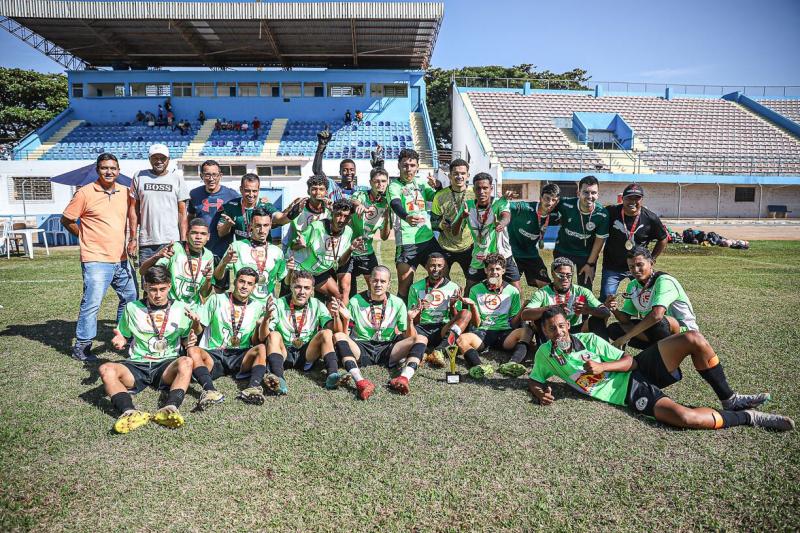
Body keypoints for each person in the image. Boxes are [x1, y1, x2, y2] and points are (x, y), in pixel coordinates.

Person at [528, 306, 793, 431]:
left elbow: (629, 361)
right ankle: (748, 417)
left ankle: (730, 398)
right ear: (544, 330)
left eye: (562, 325)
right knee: (687, 419)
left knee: (693, 339)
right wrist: (539, 393)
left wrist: (601, 365)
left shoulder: (588, 340)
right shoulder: (544, 355)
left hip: (638, 367)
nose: (558, 331)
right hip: (628, 392)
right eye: (552, 328)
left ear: (567, 325)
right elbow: (535, 379)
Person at [98, 266, 200, 434]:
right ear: (145, 287)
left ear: (169, 286)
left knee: (186, 361)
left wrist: (190, 338)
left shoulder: (181, 308)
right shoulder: (132, 307)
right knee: (106, 369)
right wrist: (120, 339)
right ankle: (129, 412)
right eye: (152, 290)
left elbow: (185, 339)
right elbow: (123, 334)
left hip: (166, 366)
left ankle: (170, 408)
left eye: (162, 289)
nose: (158, 295)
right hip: (137, 364)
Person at [61, 153, 138, 361]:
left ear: (119, 170)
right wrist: (82, 235)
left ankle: (124, 336)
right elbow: (67, 219)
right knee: (92, 303)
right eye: (104, 168)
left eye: (113, 168)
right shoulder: (85, 193)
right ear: (98, 170)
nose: (109, 172)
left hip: (121, 259)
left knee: (130, 299)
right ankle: (82, 346)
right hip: (95, 259)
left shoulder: (125, 192)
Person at [330, 265, 425, 398]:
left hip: (388, 348)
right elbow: (345, 336)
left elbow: (407, 337)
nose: (378, 284)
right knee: (338, 335)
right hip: (362, 346)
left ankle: (403, 379)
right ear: (370, 281)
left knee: (421, 338)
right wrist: (345, 319)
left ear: (388, 284)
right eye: (375, 280)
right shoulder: (355, 301)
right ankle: (360, 382)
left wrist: (409, 320)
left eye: (382, 281)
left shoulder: (398, 303)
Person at [187, 267, 272, 408]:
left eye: (249, 284)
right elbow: (199, 329)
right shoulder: (216, 299)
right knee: (193, 350)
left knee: (261, 348)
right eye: (241, 281)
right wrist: (195, 323)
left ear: (254, 287)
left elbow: (257, 341)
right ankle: (210, 390)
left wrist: (265, 320)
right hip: (214, 352)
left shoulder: (258, 307)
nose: (244, 286)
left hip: (241, 354)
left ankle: (253, 388)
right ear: (234, 282)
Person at [265, 270, 342, 394]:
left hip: (307, 353)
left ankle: (332, 374)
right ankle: (279, 378)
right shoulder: (278, 303)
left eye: (307, 288)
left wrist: (336, 316)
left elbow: (333, 330)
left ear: (312, 290)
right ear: (291, 287)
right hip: (285, 352)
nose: (302, 292)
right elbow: (265, 335)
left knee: (326, 333)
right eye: (298, 287)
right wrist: (265, 320)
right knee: (273, 335)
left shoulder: (317, 304)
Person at [607, 246, 697, 350]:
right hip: (655, 330)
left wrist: (626, 338)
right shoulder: (632, 285)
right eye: (631, 267)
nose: (636, 270)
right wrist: (614, 309)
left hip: (684, 331)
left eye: (639, 265)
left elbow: (657, 316)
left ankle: (659, 356)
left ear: (651, 263)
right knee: (615, 329)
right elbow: (625, 320)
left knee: (659, 324)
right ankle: (655, 354)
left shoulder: (664, 281)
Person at [453, 254, 528, 379]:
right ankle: (479, 366)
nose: (494, 272)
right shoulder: (476, 289)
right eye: (491, 269)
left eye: (498, 269)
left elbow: (514, 324)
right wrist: (472, 305)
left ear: (503, 270)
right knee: (461, 339)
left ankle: (512, 364)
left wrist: (522, 309)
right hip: (482, 333)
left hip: (504, 333)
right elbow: (476, 324)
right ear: (485, 270)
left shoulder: (512, 291)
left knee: (526, 332)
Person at [128, 143, 190, 283]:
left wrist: (183, 240)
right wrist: (133, 238)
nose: (159, 161)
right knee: (149, 283)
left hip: (171, 242)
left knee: (172, 282)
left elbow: (182, 213)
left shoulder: (177, 178)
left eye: (162, 158)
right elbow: (133, 209)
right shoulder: (139, 176)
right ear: (149, 159)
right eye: (155, 157)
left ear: (168, 159)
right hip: (147, 242)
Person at [387, 148, 442, 300]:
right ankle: (402, 321)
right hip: (407, 243)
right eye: (405, 165)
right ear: (399, 166)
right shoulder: (394, 186)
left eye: (412, 165)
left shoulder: (422, 184)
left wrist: (438, 186)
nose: (408, 169)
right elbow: (395, 203)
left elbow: (438, 197)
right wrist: (406, 217)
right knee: (405, 287)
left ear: (417, 166)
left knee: (443, 276)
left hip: (428, 240)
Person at [600, 183, 668, 301]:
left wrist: (652, 258)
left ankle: (643, 320)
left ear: (642, 200)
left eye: (637, 198)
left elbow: (663, 238)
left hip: (639, 267)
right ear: (623, 199)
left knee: (645, 298)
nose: (633, 201)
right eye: (629, 198)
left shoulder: (650, 218)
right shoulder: (611, 212)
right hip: (612, 266)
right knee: (606, 299)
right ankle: (602, 319)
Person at [407, 253, 472, 372]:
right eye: (432, 266)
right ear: (426, 267)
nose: (436, 269)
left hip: (443, 329)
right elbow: (413, 320)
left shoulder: (453, 287)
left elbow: (455, 318)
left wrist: (452, 305)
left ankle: (440, 350)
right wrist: (419, 310)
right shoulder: (416, 287)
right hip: (421, 329)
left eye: (439, 266)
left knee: (465, 313)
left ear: (445, 267)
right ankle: (423, 352)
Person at [521, 257, 610, 341]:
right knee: (540, 317)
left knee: (597, 320)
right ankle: (550, 350)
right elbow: (525, 314)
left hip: (575, 330)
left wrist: (588, 310)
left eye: (568, 275)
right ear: (553, 274)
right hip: (553, 332)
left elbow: (606, 312)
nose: (565, 279)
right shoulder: (543, 293)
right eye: (561, 275)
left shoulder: (581, 291)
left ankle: (606, 354)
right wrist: (552, 308)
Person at [215, 208, 288, 305]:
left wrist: (291, 270)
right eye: (258, 225)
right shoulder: (237, 247)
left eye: (265, 225)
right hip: (242, 306)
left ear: (270, 225)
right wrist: (224, 263)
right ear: (250, 226)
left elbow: (284, 281)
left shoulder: (277, 252)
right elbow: (217, 277)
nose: (262, 230)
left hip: (267, 306)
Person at [463, 172, 520, 295]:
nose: (482, 191)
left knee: (516, 289)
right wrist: (461, 217)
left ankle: (518, 314)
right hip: (480, 255)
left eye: (485, 188)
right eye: (478, 188)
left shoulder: (500, 202)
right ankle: (465, 312)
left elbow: (506, 216)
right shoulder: (468, 206)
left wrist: (502, 224)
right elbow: (455, 228)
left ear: (491, 188)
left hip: (503, 253)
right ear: (474, 189)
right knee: (469, 288)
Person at [294, 199, 360, 301]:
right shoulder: (316, 227)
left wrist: (351, 249)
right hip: (301, 270)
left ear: (350, 219)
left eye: (346, 216)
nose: (341, 219)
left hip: (319, 273)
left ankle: (332, 317)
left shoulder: (348, 232)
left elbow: (341, 262)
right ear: (332, 213)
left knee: (338, 297)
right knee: (297, 300)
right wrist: (299, 245)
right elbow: (292, 246)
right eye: (338, 215)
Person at [138, 218, 215, 305]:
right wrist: (157, 256)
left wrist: (208, 279)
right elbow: (142, 271)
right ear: (186, 234)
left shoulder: (209, 256)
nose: (198, 237)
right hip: (172, 306)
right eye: (194, 233)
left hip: (193, 308)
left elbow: (204, 294)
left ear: (208, 237)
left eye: (203, 234)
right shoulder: (176, 248)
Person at [344, 168, 392, 299]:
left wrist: (387, 216)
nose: (380, 184)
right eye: (376, 181)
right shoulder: (361, 194)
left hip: (367, 252)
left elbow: (384, 236)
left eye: (383, 181)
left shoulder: (386, 203)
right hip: (349, 251)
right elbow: (354, 201)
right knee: (347, 290)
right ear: (370, 182)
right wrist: (359, 205)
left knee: (375, 288)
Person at [554, 175, 609, 289]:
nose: (590, 196)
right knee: (561, 286)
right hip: (563, 250)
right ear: (578, 193)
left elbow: (599, 241)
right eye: (586, 192)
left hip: (586, 255)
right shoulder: (565, 204)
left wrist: (590, 264)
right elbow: (545, 206)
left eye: (593, 193)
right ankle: (559, 306)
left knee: (585, 287)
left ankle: (581, 306)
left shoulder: (602, 214)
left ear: (598, 194)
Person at [218, 173, 298, 243]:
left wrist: (294, 212)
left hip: (263, 253)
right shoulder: (231, 206)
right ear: (241, 189)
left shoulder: (265, 205)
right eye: (247, 190)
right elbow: (220, 233)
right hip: (243, 253)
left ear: (259, 190)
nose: (251, 194)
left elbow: (280, 218)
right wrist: (227, 225)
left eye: (254, 191)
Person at [508, 183, 561, 288]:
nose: (550, 203)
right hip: (512, 254)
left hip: (531, 255)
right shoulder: (524, 208)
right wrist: (504, 199)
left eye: (554, 200)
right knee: (514, 291)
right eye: (547, 198)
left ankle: (534, 304)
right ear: (540, 197)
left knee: (547, 287)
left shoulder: (555, 216)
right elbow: (502, 206)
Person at [431, 159, 475, 278]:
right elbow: (433, 222)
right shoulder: (440, 196)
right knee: (441, 281)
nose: (459, 176)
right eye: (455, 173)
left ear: (468, 175)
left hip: (469, 246)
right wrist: (441, 225)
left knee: (473, 282)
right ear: (450, 175)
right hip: (445, 247)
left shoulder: (475, 194)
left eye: (462, 173)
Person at [187, 160, 240, 259]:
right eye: (207, 175)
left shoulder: (232, 195)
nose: (211, 179)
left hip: (222, 251)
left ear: (220, 175)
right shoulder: (194, 194)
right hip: (199, 250)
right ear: (201, 176)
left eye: (214, 175)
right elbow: (190, 217)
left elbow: (245, 207)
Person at [311, 127, 347, 201]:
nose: (349, 172)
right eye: (345, 170)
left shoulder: (360, 191)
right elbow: (317, 171)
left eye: (352, 169)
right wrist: (320, 147)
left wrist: (377, 169)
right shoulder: (332, 186)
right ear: (340, 172)